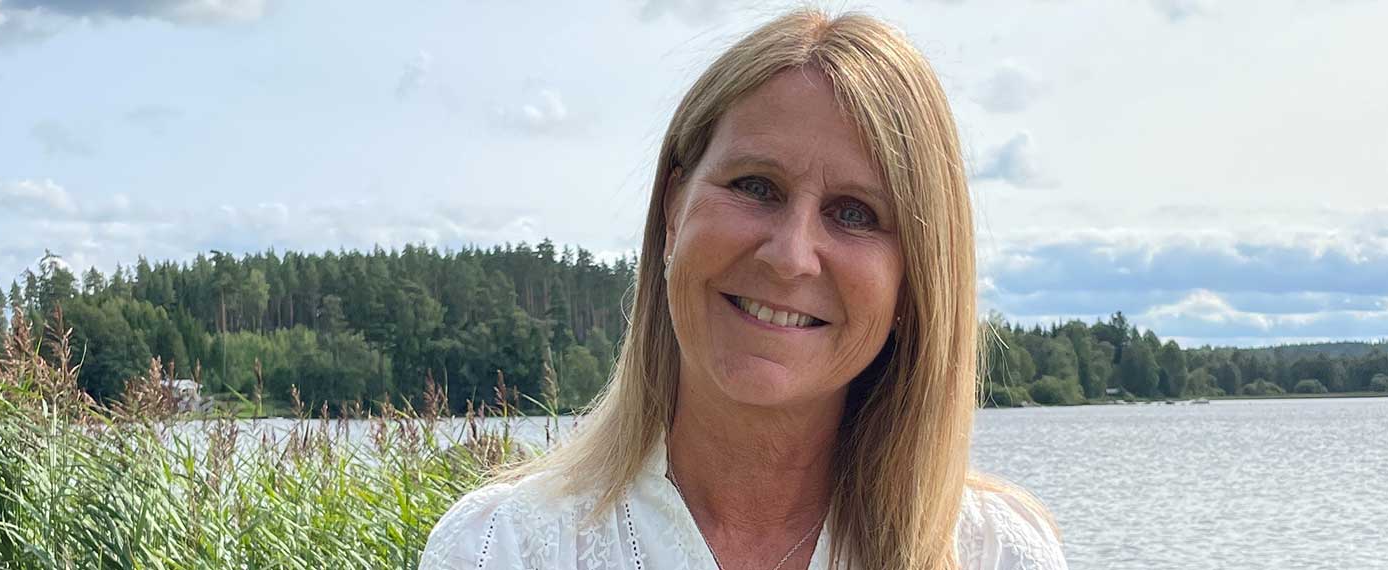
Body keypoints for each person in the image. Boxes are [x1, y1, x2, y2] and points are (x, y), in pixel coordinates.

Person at [420, 9, 1066, 569]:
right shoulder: (500, 549)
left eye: (854, 213)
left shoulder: (999, 554)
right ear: (674, 210)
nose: (790, 257)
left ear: (917, 279)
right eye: (757, 186)